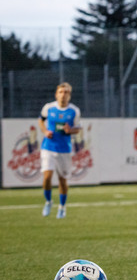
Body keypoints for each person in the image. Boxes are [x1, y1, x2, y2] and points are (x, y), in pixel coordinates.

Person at [39, 82, 82, 219]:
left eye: (66, 92)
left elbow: (78, 128)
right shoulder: (49, 108)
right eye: (61, 92)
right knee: (47, 176)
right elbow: (41, 120)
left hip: (64, 150)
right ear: (56, 94)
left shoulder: (74, 111)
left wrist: (70, 130)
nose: (63, 95)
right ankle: (48, 202)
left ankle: (62, 207)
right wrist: (45, 131)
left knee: (62, 181)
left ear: (70, 95)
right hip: (48, 147)